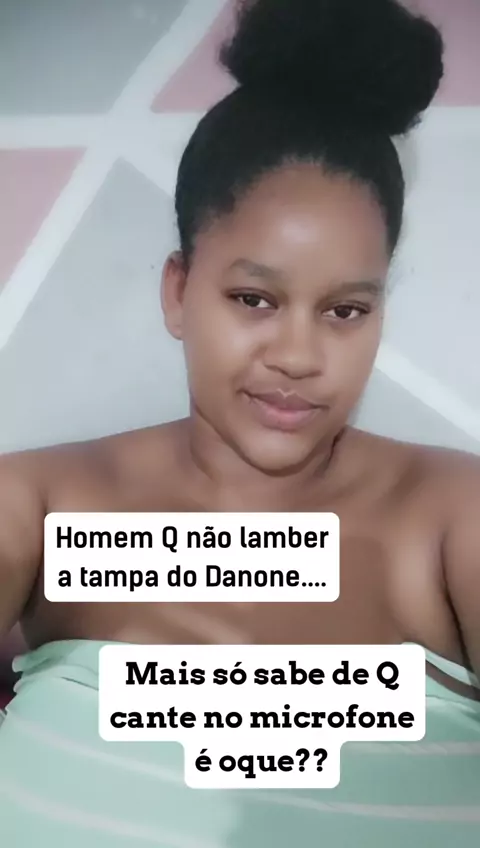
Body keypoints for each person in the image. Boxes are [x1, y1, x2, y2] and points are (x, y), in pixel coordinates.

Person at [0, 0, 479, 844]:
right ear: (179, 290)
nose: (298, 355)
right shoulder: (36, 507)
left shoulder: (452, 521)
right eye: (254, 298)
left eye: (345, 310)